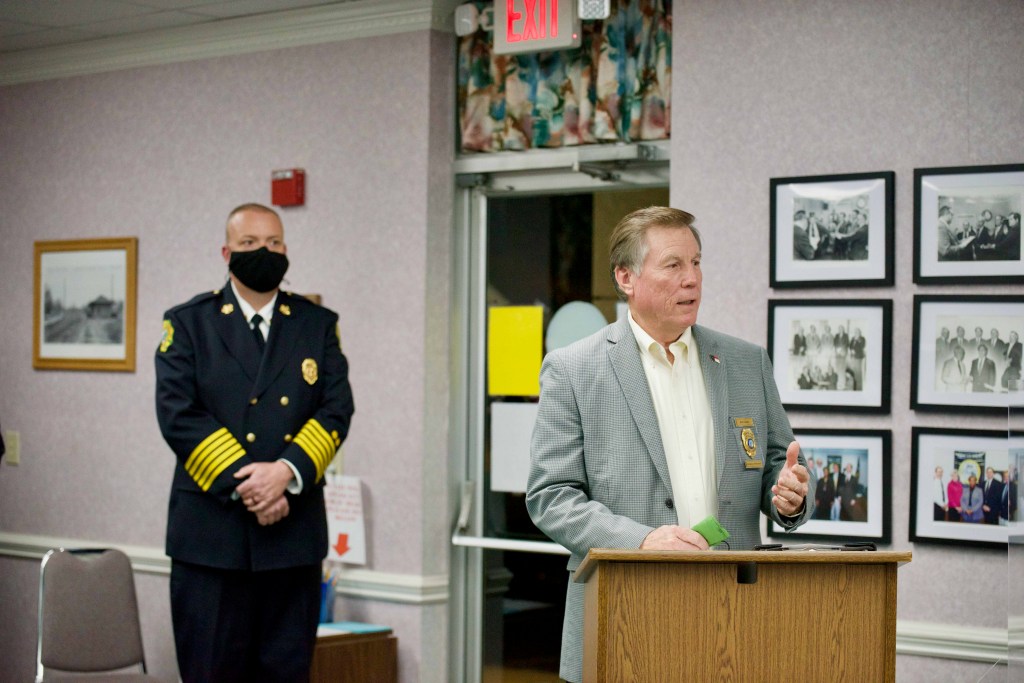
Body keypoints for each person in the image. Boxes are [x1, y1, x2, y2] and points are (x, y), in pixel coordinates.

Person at [525, 207, 812, 683]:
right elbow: (551, 496)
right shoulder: (573, 370)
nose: (692, 279)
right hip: (625, 611)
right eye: (673, 265)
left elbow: (779, 466)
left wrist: (790, 496)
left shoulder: (746, 362)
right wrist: (640, 541)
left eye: (696, 263)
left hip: (736, 613)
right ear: (626, 277)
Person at [155, 203, 355, 682]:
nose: (263, 251)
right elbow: (178, 414)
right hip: (211, 540)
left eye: (273, 242)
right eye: (249, 243)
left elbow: (335, 410)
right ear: (227, 253)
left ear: (286, 250)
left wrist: (284, 474)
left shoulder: (316, 324)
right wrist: (252, 486)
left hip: (292, 540)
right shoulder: (189, 323)